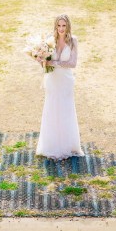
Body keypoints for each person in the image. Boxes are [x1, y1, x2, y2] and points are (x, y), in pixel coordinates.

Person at [36, 14, 84, 160]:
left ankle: (68, 145)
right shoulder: (50, 40)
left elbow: (73, 63)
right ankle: (50, 145)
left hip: (66, 80)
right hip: (52, 80)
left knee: (66, 110)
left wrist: (55, 63)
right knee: (52, 109)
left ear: (67, 26)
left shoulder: (73, 40)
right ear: (55, 26)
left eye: (64, 25)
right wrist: (40, 59)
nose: (61, 29)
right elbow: (45, 62)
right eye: (59, 25)